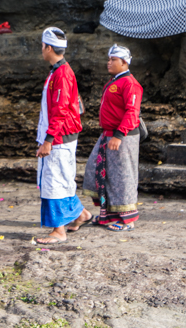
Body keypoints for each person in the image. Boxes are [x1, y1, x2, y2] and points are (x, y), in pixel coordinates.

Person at [33, 27, 90, 244]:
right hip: (61, 135)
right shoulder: (59, 71)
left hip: (59, 137)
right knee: (62, 179)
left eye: (42, 46)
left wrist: (48, 140)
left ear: (48, 47)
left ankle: (59, 230)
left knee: (53, 181)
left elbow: (61, 109)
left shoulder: (62, 74)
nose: (42, 50)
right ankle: (80, 214)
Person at [81, 44, 143, 232]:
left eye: (113, 59)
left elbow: (132, 111)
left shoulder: (130, 84)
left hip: (121, 136)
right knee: (100, 171)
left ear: (124, 62)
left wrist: (119, 135)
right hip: (108, 135)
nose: (109, 63)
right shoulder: (115, 81)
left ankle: (128, 220)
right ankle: (109, 214)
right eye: (109, 59)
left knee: (123, 177)